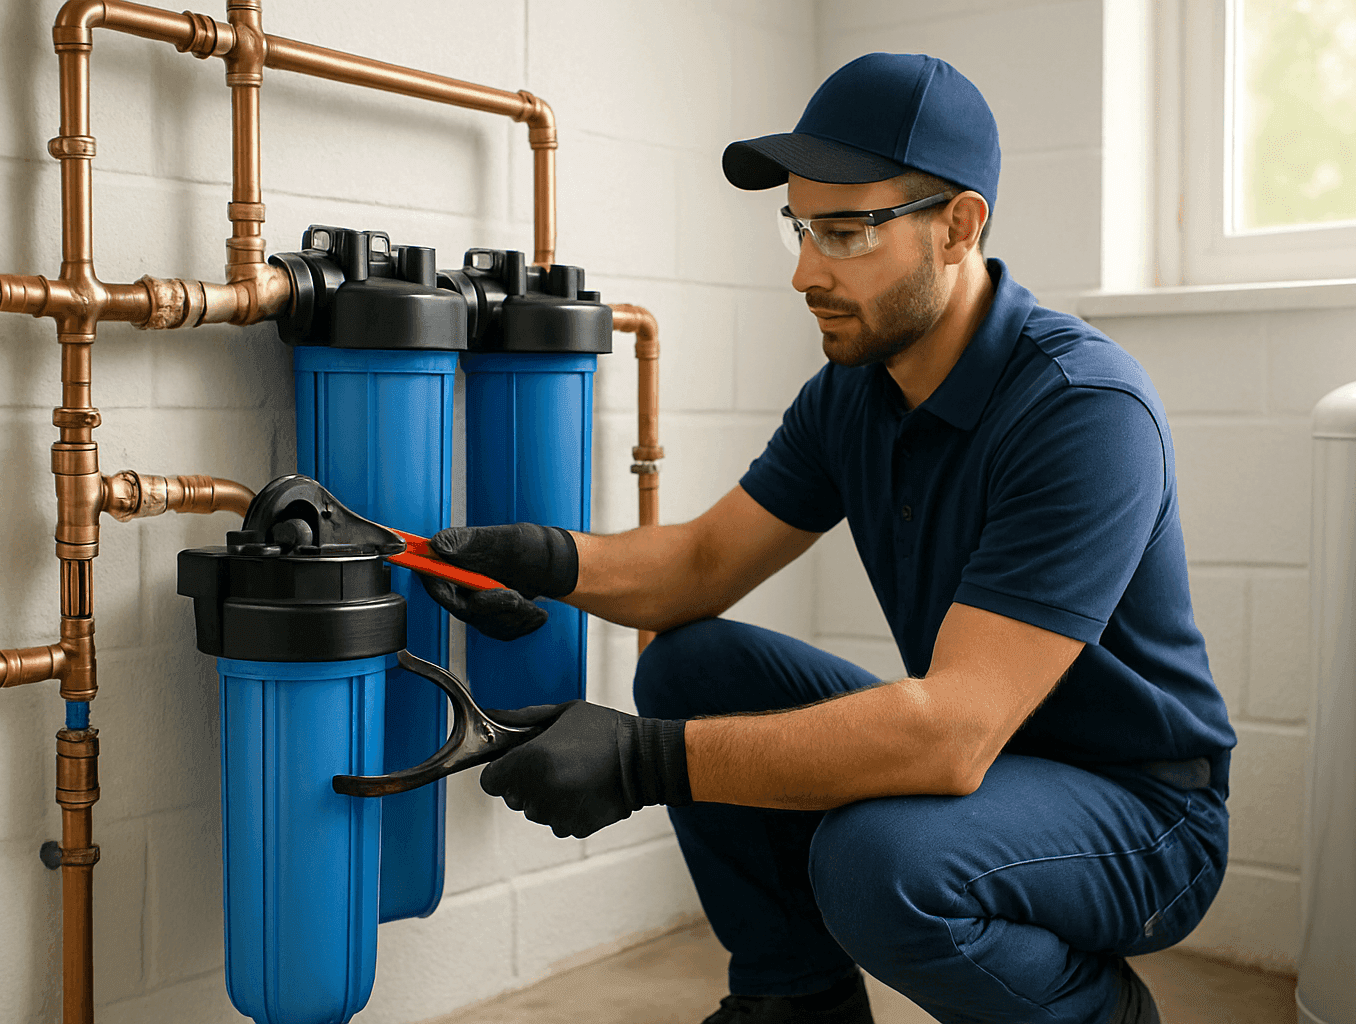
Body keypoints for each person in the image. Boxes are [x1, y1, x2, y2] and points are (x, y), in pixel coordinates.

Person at [422, 52, 1236, 1024]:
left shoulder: (1081, 410)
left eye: (846, 233)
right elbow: (700, 565)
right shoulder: (855, 392)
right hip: (986, 759)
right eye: (800, 230)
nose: (808, 272)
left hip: (1143, 816)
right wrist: (543, 559)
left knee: (879, 863)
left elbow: (952, 732)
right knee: (695, 664)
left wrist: (646, 763)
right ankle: (795, 1000)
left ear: (959, 227)